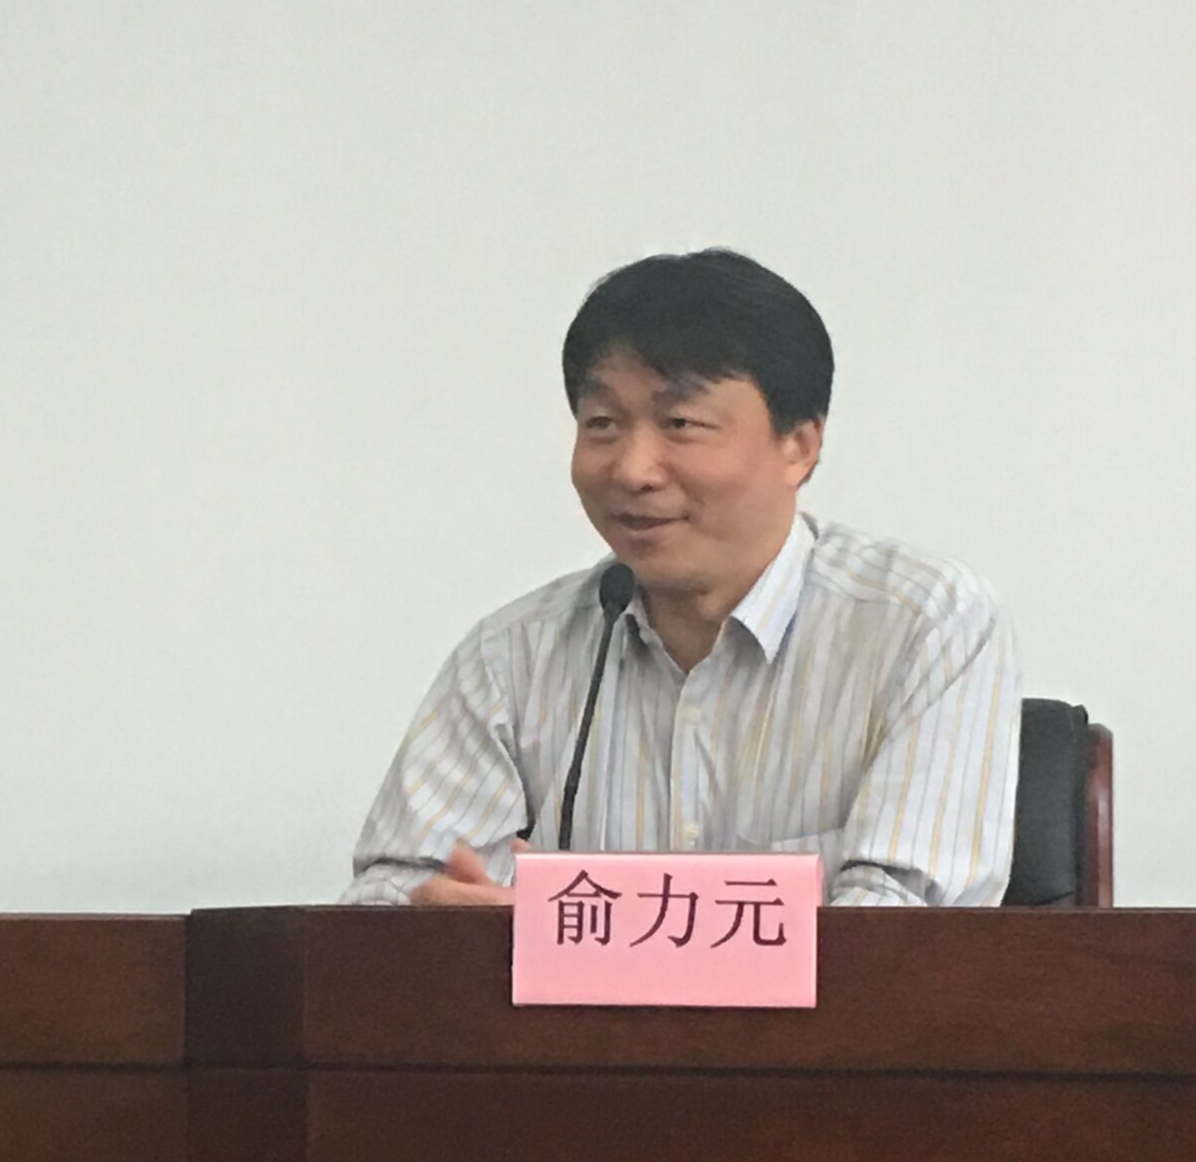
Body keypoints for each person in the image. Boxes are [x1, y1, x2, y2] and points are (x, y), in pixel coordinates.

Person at [344, 249, 1021, 907]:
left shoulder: (923, 623)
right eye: (602, 423)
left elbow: (899, 931)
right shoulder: (512, 655)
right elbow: (387, 900)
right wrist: (447, 924)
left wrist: (585, 944)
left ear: (799, 446)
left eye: (680, 424)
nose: (633, 469)